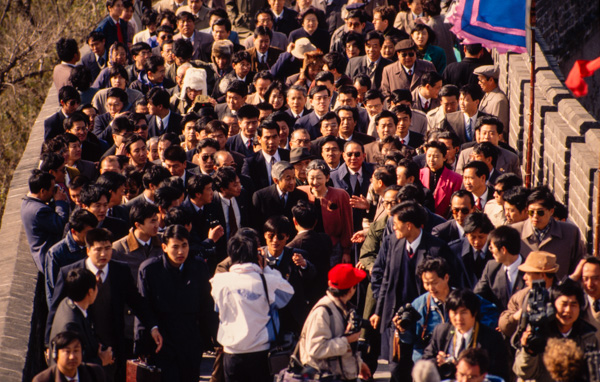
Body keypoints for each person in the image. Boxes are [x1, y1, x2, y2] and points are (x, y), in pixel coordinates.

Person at [210, 229, 294, 382]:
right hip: (260, 352)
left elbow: (217, 308)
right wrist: (266, 268)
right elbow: (287, 294)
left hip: (231, 352)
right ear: (256, 254)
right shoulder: (268, 281)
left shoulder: (219, 281)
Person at [137, 225, 215, 382]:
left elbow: (207, 306)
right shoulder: (150, 270)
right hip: (162, 342)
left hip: (191, 341)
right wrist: (142, 344)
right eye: (175, 247)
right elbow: (143, 308)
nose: (181, 252)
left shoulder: (198, 267)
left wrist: (213, 339)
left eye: (184, 246)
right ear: (164, 247)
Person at [513, 279, 599, 382]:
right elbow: (524, 373)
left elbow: (593, 375)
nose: (568, 310)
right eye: (564, 304)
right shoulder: (540, 333)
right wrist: (529, 352)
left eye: (573, 305)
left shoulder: (587, 336)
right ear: (552, 306)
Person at [298, 264, 371, 381]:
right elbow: (315, 348)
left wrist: (359, 364)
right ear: (351, 289)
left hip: (340, 375)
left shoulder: (342, 308)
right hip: (326, 377)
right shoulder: (323, 312)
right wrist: (347, 340)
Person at [421, 289, 508, 380]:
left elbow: (499, 375)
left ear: (474, 313)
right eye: (454, 313)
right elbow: (425, 361)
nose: (458, 318)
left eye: (463, 312)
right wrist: (438, 362)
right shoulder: (441, 331)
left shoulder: (491, 338)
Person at [512, 185, 584, 280]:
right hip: (525, 290)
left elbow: (578, 266)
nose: (535, 216)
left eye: (540, 212)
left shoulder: (570, 232)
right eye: (531, 212)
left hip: (558, 291)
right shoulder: (515, 232)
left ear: (551, 211)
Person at [48, 268, 114, 367]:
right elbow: (73, 364)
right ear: (90, 292)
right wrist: (101, 360)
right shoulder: (71, 325)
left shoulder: (66, 303)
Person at [298, 159, 353, 265]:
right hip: (308, 245)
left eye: (319, 178)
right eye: (311, 178)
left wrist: (346, 251)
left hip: (333, 245)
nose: (315, 182)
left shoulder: (340, 195)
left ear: (327, 178)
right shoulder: (301, 192)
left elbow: (347, 224)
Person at [21, 169, 70, 274]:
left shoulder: (27, 203)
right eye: (53, 190)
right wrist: (60, 202)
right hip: (49, 260)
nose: (54, 193)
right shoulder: (39, 211)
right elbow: (61, 225)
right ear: (42, 191)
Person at [474, 225, 527, 312]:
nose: (490, 251)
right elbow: (477, 296)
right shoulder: (491, 267)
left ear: (503, 250)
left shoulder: (530, 271)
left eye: (491, 248)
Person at [33, 331, 106, 382]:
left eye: (76, 351)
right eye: (67, 352)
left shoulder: (95, 373)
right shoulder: (41, 380)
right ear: (55, 355)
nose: (72, 357)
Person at [420, 141, 463, 217]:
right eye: (429, 156)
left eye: (435, 157)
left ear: (444, 157)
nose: (431, 159)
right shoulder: (420, 174)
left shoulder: (456, 179)